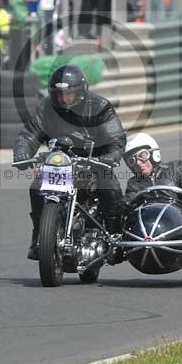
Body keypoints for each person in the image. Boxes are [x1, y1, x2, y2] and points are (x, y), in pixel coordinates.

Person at [13, 64, 126, 260]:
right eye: (59, 95)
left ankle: (116, 236)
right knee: (37, 187)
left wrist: (108, 158)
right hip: (60, 163)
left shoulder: (100, 107)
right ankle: (40, 235)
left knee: (110, 186)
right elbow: (29, 134)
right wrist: (23, 152)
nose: (63, 99)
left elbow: (116, 139)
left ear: (81, 91)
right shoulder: (46, 107)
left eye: (68, 94)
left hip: (94, 163)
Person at [122, 133, 182, 216]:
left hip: (179, 219)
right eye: (131, 160)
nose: (138, 163)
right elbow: (129, 201)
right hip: (151, 224)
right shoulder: (133, 184)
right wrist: (123, 204)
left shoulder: (175, 168)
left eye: (142, 155)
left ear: (153, 153)